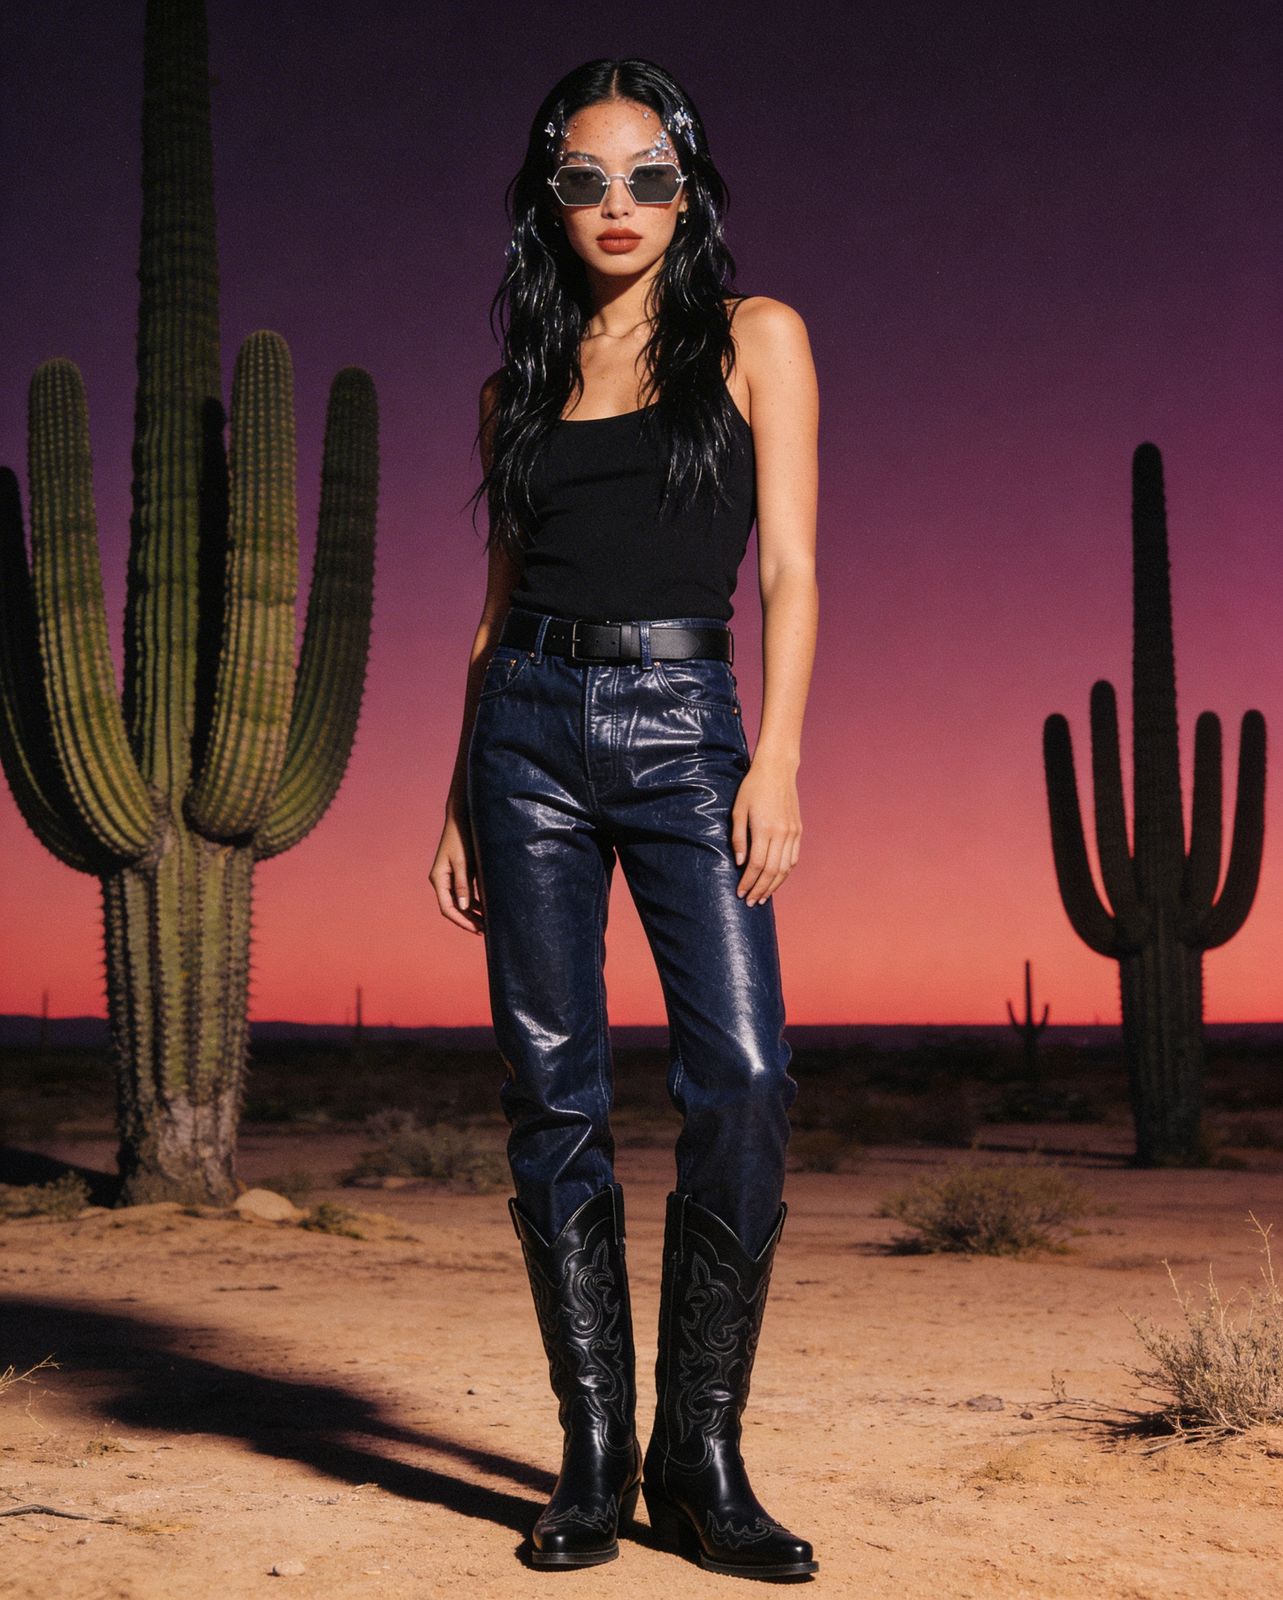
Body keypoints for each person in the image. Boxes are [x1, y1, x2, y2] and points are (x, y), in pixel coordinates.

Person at [430, 58, 819, 1579]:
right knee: (553, 1090)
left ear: (691, 187)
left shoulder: (755, 340)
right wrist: (460, 789)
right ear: (548, 191)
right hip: (523, 729)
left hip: (688, 726)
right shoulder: (510, 388)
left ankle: (699, 1451)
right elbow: (493, 612)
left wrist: (775, 756)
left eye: (649, 175)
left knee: (744, 1074)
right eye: (586, 176)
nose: (618, 205)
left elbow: (787, 570)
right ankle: (595, 1450)